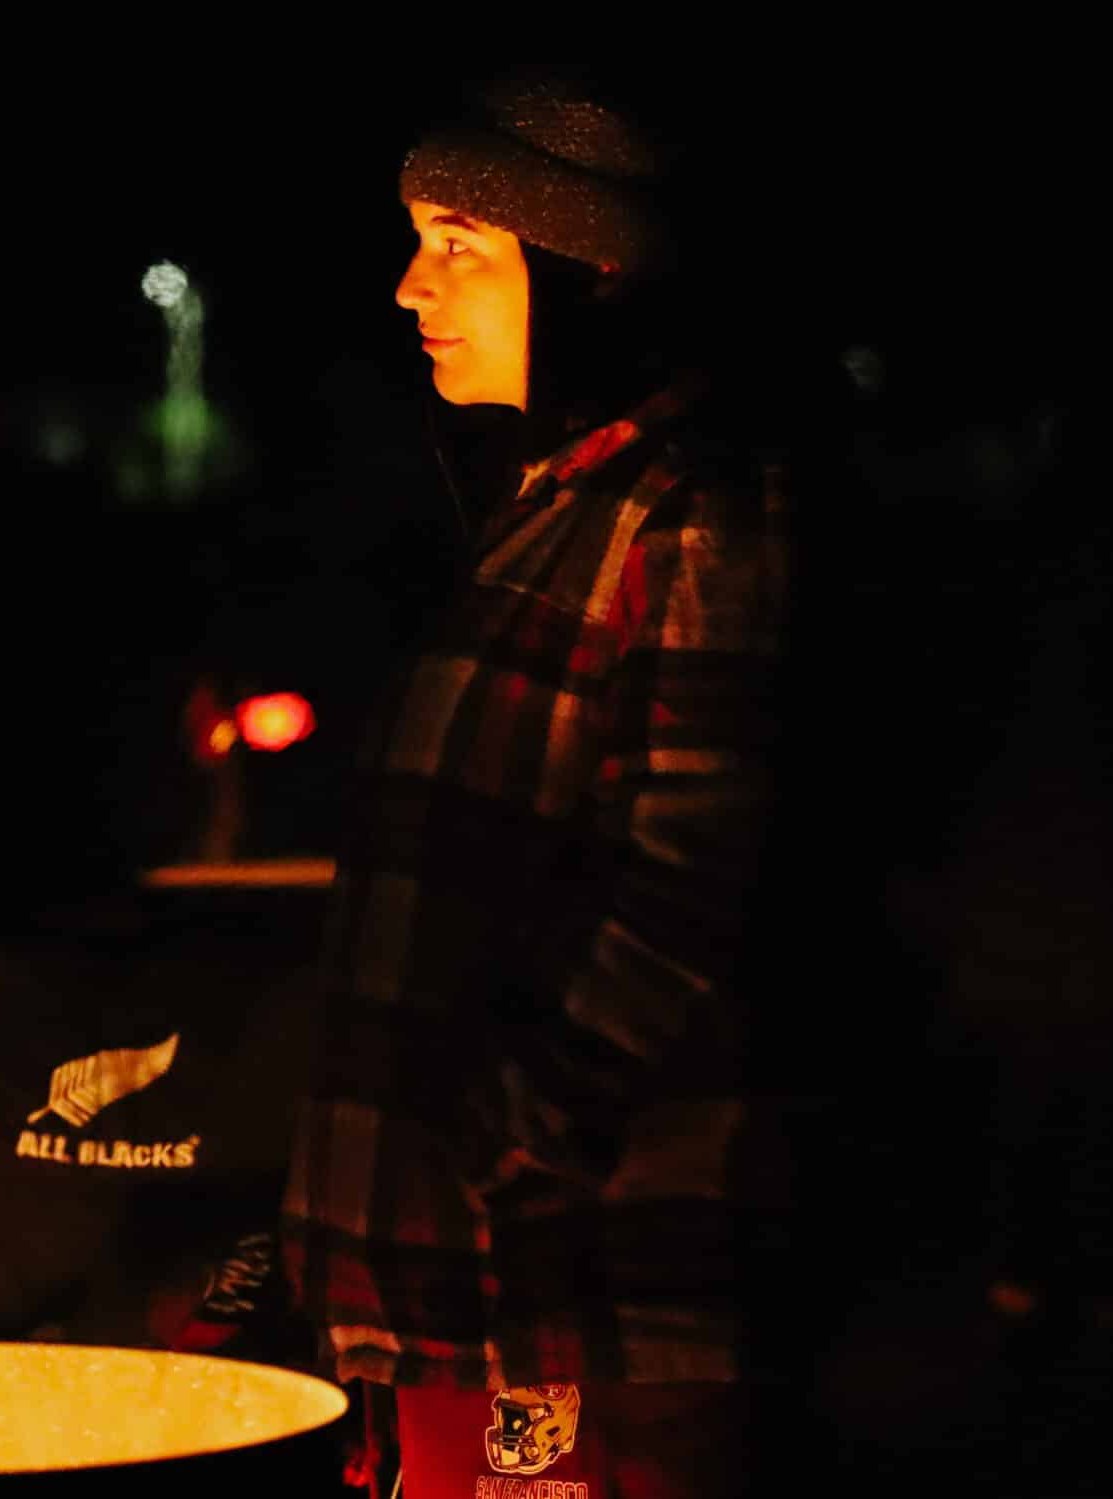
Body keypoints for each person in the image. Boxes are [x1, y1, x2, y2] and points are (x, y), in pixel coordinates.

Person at [278, 72, 797, 1498]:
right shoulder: (541, 516)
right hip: (448, 1306)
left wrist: (506, 1136)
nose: (407, 287)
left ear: (589, 273)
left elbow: (697, 877)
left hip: (582, 1307)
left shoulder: (689, 512)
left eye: (459, 243)